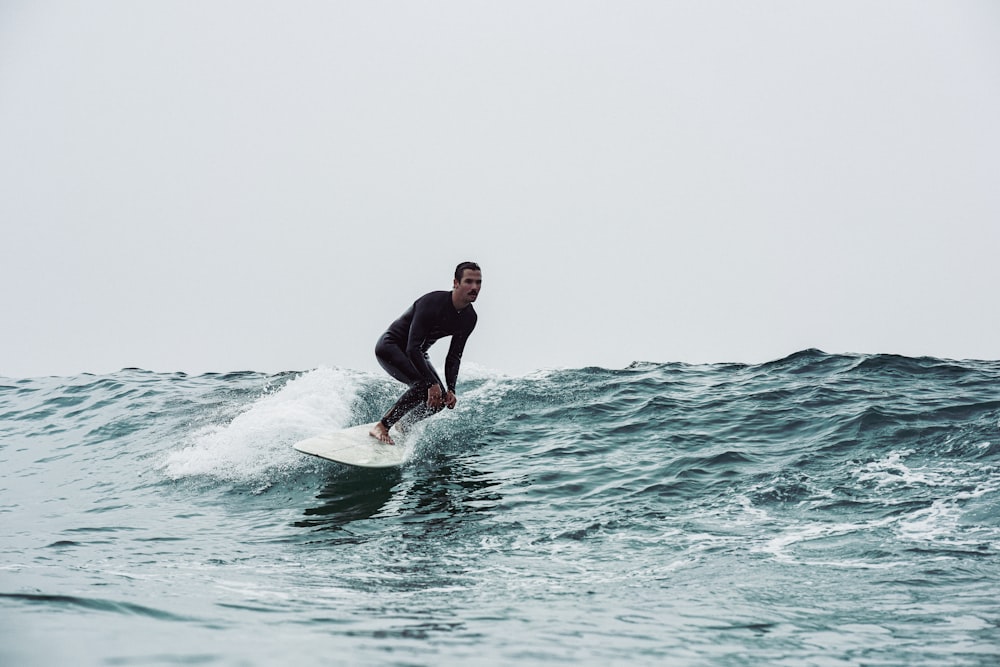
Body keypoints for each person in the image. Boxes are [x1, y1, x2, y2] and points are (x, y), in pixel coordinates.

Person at [369, 262, 482, 445]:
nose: (474, 287)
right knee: (424, 386)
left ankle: (404, 425)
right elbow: (412, 347)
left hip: (417, 353)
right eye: (469, 281)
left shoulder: (470, 318)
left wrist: (451, 388)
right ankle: (382, 426)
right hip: (391, 347)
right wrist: (431, 383)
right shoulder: (432, 303)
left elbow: (454, 355)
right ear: (455, 283)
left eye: (478, 282)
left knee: (439, 400)